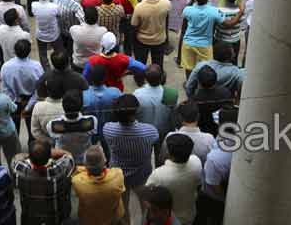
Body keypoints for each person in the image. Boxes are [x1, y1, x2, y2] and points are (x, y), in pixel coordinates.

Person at [103, 94, 159, 224]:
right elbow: (155, 141)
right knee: (146, 206)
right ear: (136, 111)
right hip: (142, 175)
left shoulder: (108, 129)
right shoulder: (150, 131)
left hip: (119, 176)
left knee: (123, 209)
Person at [10, 138, 75, 225]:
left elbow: (16, 157)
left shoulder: (20, 170)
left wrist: (31, 154)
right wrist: (50, 152)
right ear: (49, 157)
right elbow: (69, 155)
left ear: (30, 158)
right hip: (55, 218)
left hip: (30, 218)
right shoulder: (59, 172)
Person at [146, 133, 202, 225]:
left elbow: (147, 194)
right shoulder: (196, 163)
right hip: (190, 215)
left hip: (169, 219)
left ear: (168, 153)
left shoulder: (158, 174)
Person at [72, 145, 126, 225]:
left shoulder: (77, 181)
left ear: (85, 164)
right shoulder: (117, 175)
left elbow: (77, 170)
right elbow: (111, 170)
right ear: (105, 161)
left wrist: (86, 168)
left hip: (89, 220)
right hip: (113, 220)